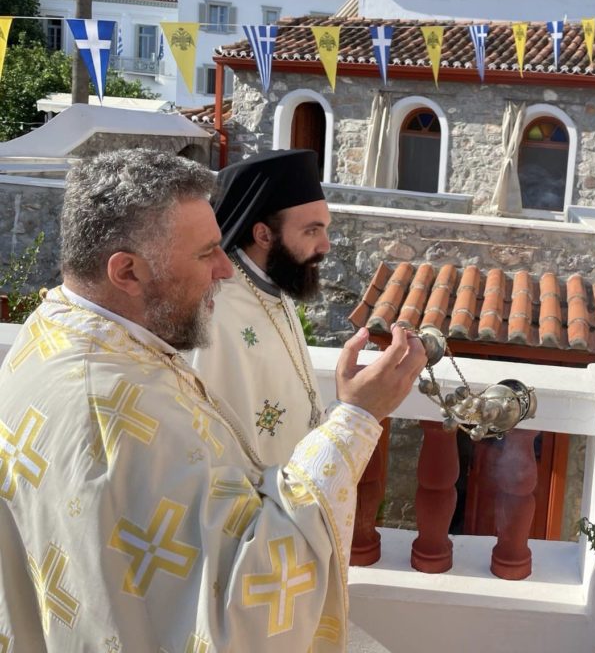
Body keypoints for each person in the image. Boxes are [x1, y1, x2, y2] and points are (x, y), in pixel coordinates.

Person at [0, 149, 427, 650]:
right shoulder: (113, 409)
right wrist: (356, 418)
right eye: (207, 253)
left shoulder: (62, 330)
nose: (226, 269)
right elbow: (242, 611)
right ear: (128, 272)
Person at [192, 149, 332, 465]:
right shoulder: (215, 312)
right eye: (312, 230)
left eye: (325, 228)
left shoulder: (273, 286)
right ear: (264, 235)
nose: (325, 246)